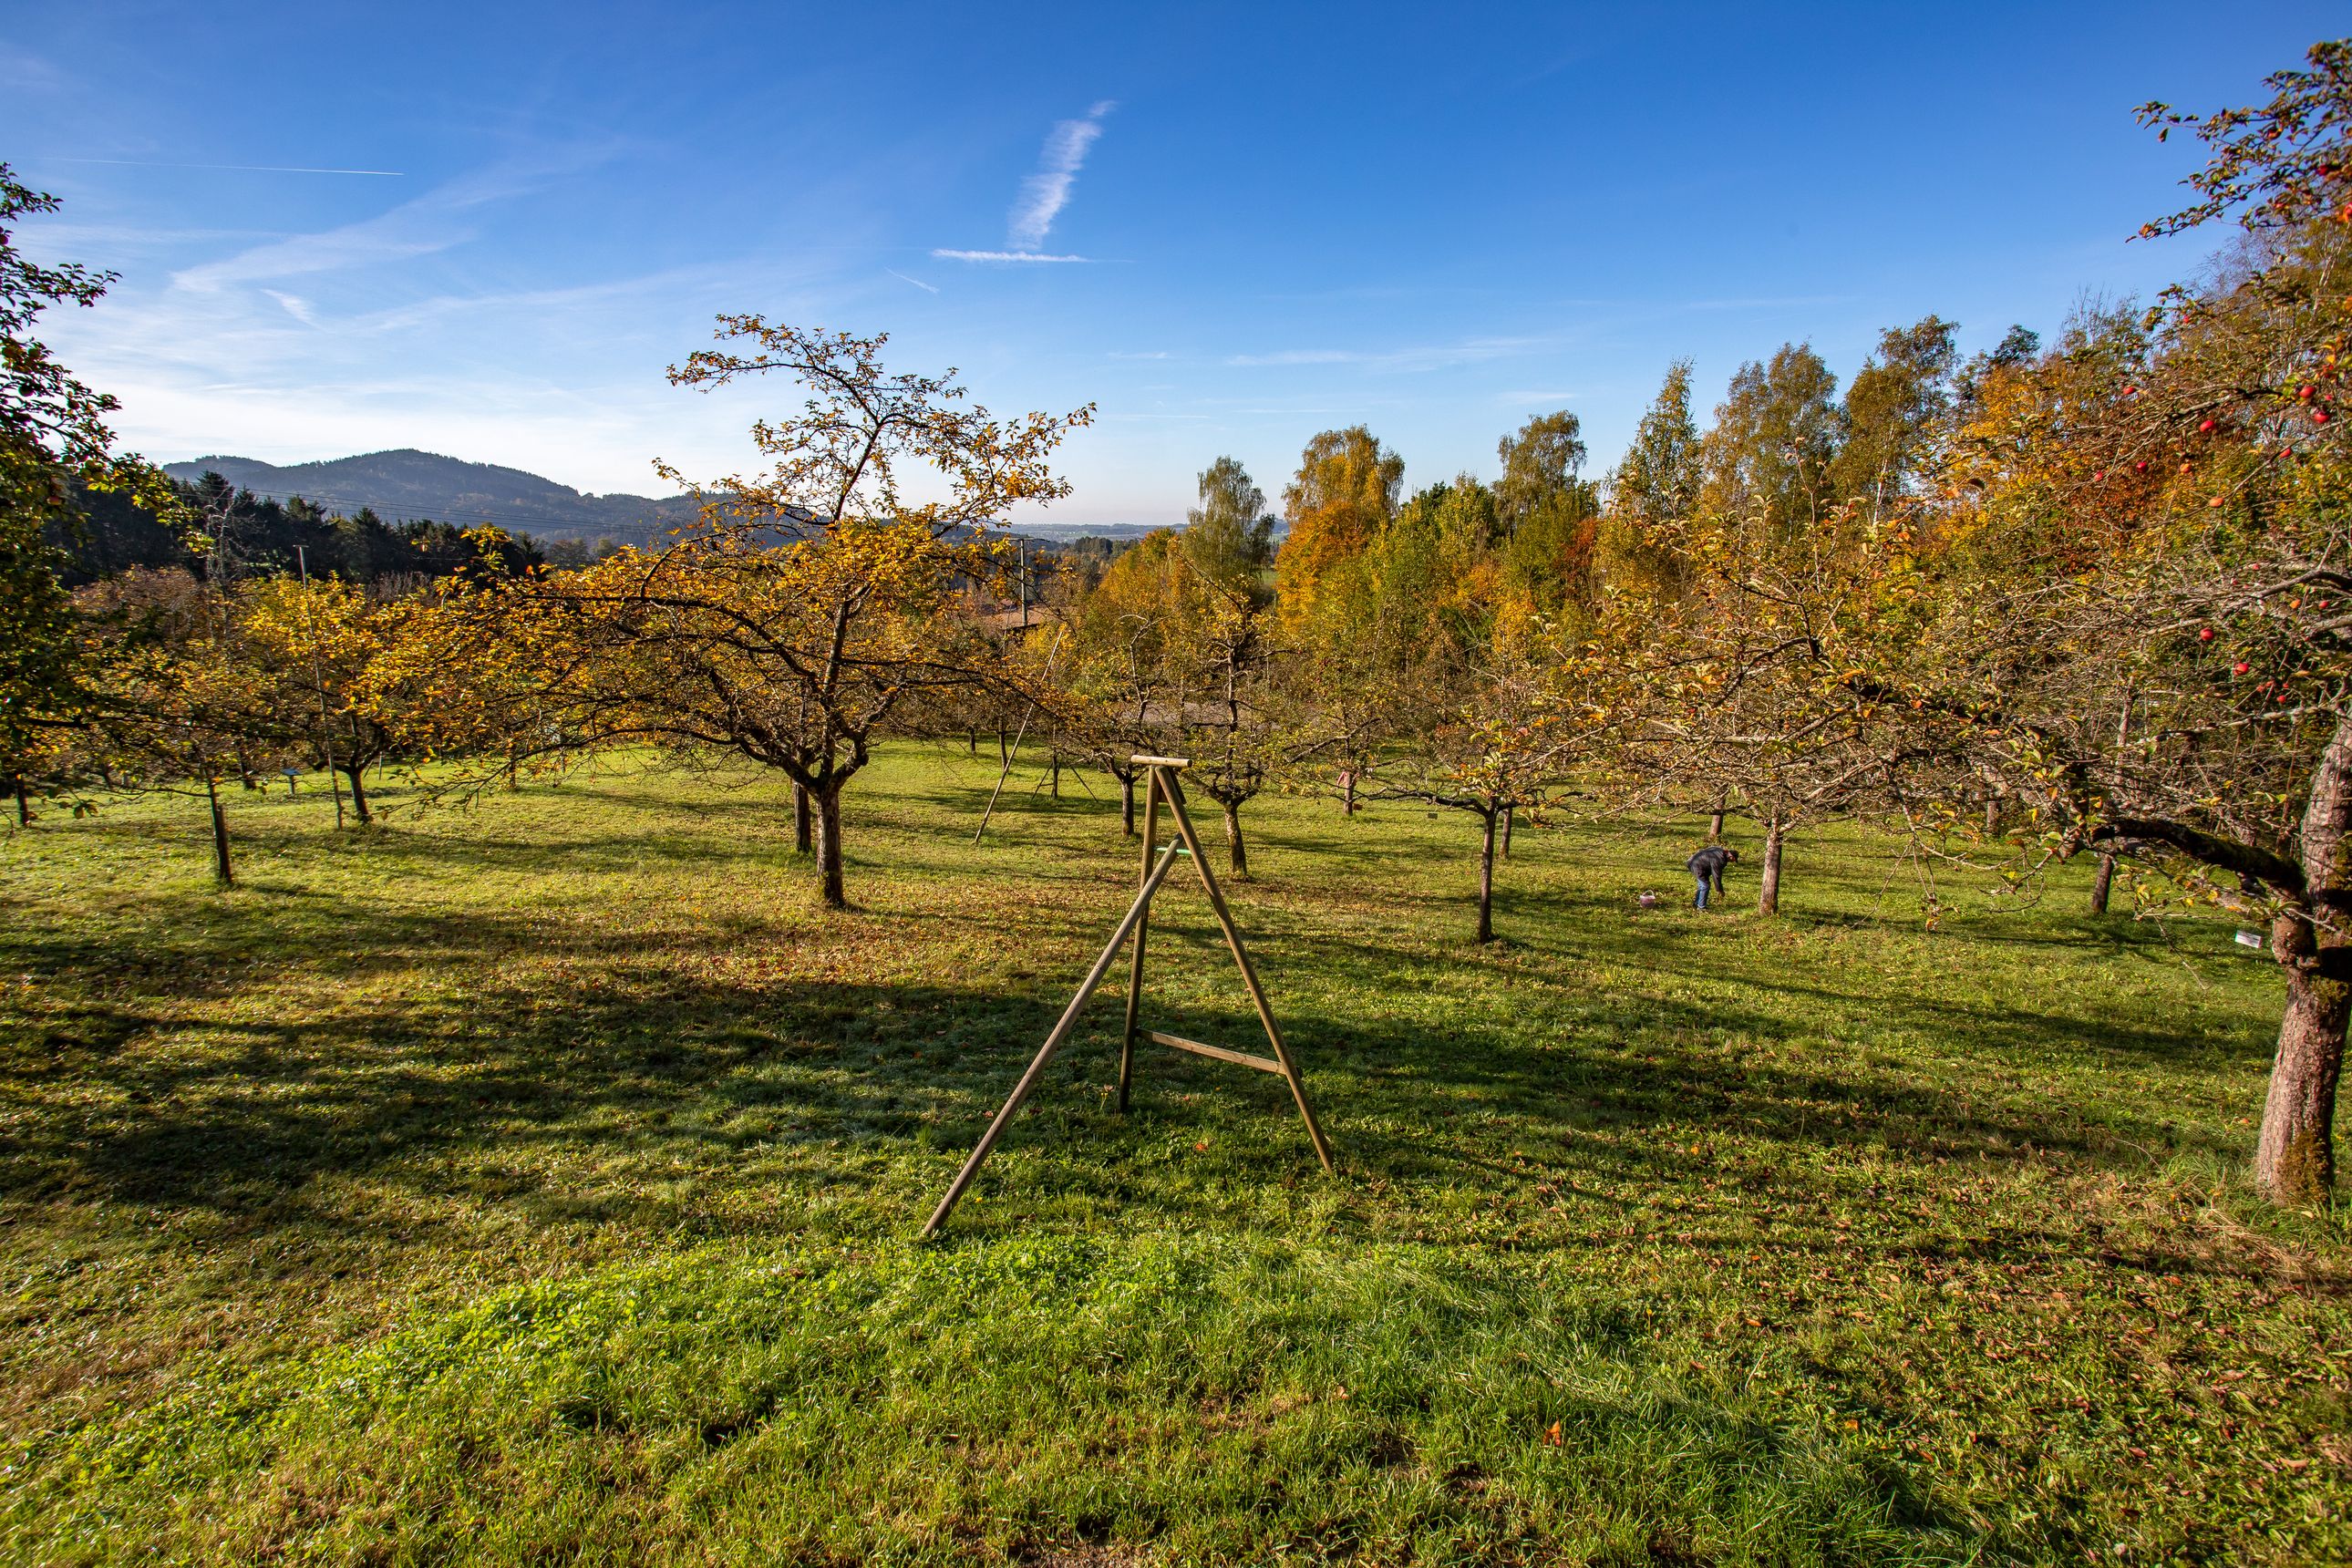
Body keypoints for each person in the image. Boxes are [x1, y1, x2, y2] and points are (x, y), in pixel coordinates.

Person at [1687, 844, 1738, 910]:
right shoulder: (1720, 859)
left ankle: (1697, 903)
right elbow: (1716, 875)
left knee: (1702, 886)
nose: (1732, 862)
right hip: (1697, 865)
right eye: (1733, 860)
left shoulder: (1720, 850)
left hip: (1694, 862)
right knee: (1705, 886)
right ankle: (1701, 907)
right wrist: (1720, 890)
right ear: (1731, 857)